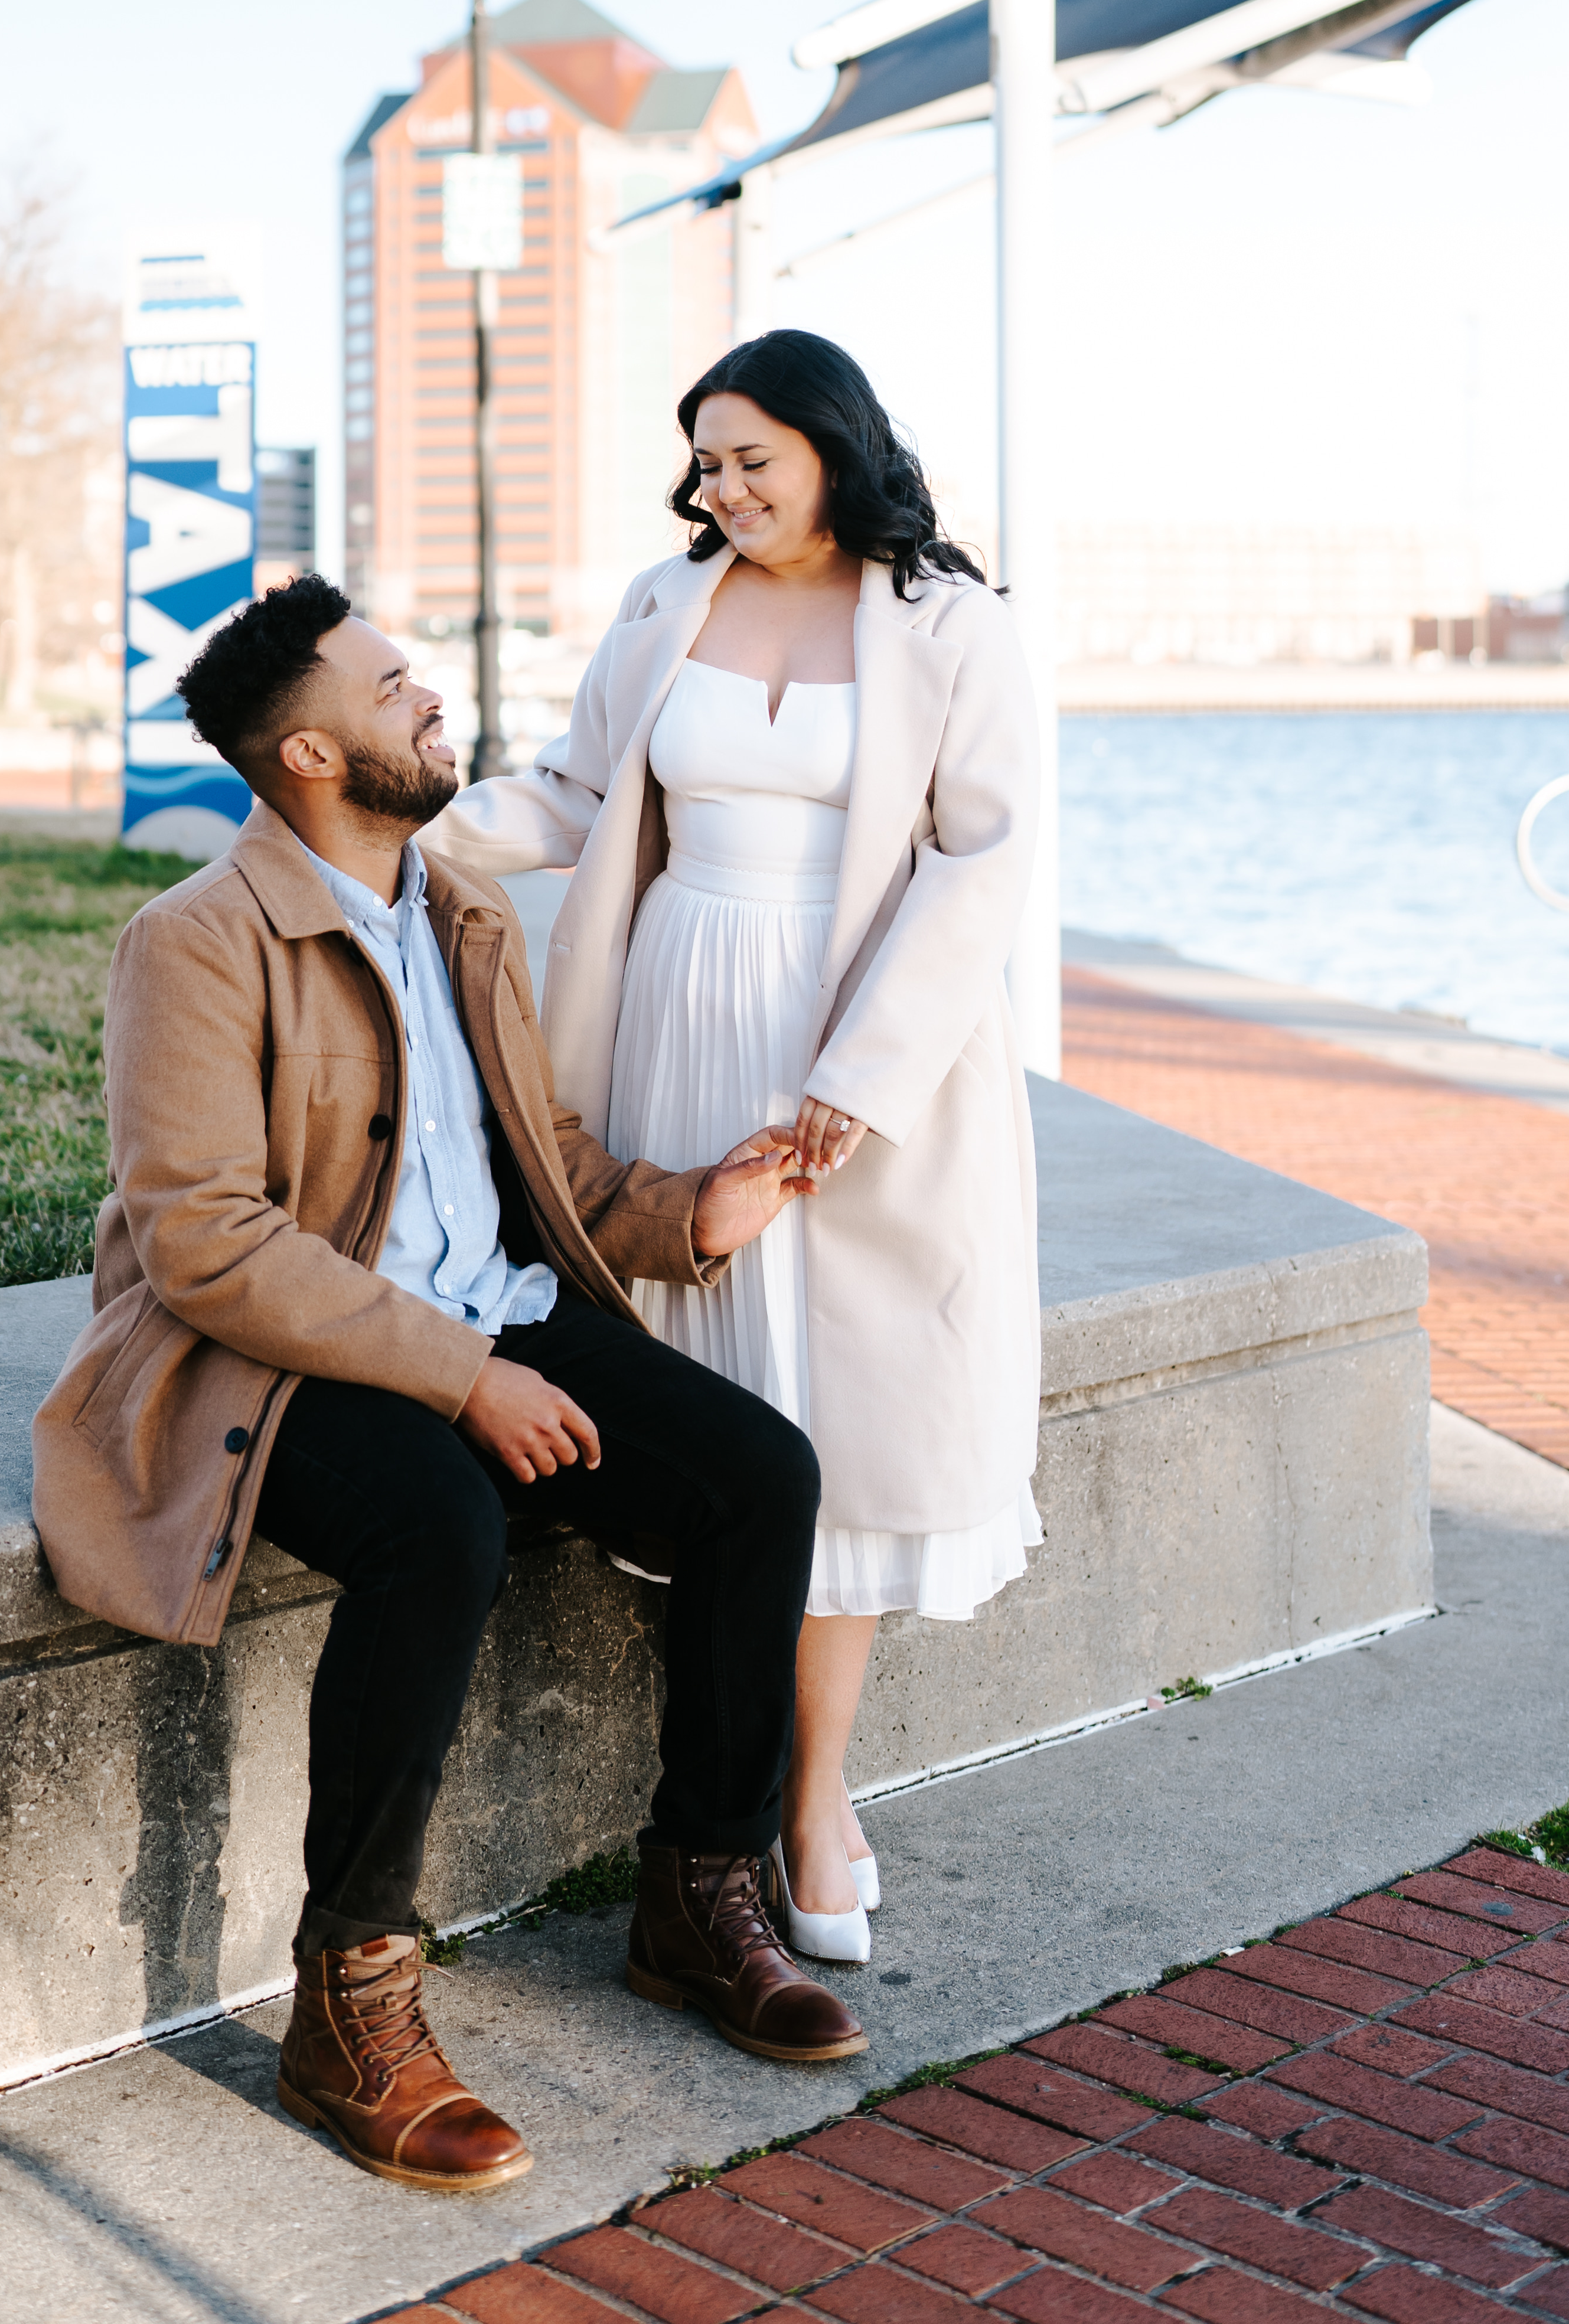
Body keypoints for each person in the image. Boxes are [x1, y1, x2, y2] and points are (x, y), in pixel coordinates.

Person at [30, 572, 866, 2201]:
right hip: (278, 1361)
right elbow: (204, 1242)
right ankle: (351, 1997)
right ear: (309, 760)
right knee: (441, 1526)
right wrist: (464, 1376)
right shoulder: (195, 941)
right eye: (389, 684)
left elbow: (536, 1162)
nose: (428, 699)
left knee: (762, 1477)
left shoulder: (464, 912)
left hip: (499, 1313)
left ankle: (699, 1895)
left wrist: (687, 1210)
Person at [428, 328, 1041, 1965]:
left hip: (852, 1059)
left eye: (751, 457)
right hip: (675, 1027)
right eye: (705, 461)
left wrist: (862, 1075)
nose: (723, 487)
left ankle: (813, 1797)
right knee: (722, 1410)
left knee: (847, 1414)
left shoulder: (956, 631)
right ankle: (714, 1804)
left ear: (837, 444)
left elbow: (984, 865)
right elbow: (570, 799)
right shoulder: (661, 606)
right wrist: (403, 827)